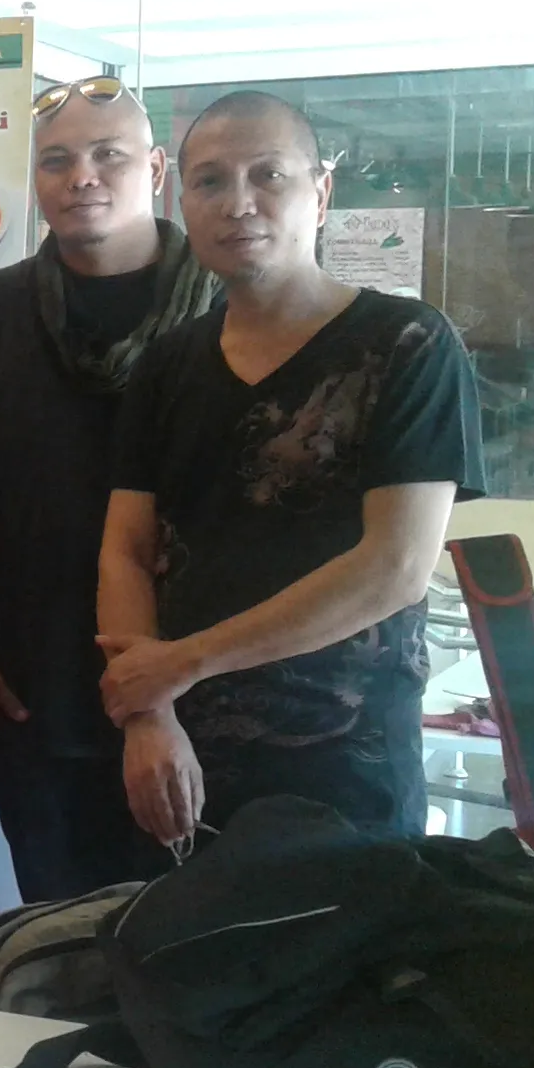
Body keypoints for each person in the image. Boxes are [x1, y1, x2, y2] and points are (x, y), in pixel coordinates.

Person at [99, 91, 484, 849]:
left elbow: (395, 569)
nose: (238, 203)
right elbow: (126, 550)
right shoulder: (168, 363)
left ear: (321, 192)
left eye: (268, 175)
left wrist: (179, 665)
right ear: (183, 201)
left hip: (348, 769)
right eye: (210, 181)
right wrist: (149, 716)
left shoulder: (408, 344)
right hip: (181, 762)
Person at [0, 77, 221, 902]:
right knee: (56, 931)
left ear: (155, 169)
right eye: (57, 161)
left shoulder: (224, 306)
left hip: (205, 695)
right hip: (36, 692)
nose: (81, 177)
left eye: (107, 155)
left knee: (185, 932)